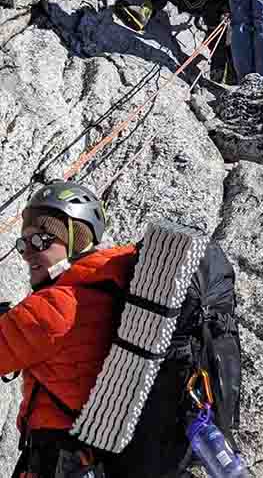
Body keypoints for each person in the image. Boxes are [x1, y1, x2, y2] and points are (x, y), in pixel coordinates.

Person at [0, 181, 136, 478]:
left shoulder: (56, 306)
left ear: (77, 241)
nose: (28, 253)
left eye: (41, 240)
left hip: (53, 460)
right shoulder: (105, 291)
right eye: (23, 244)